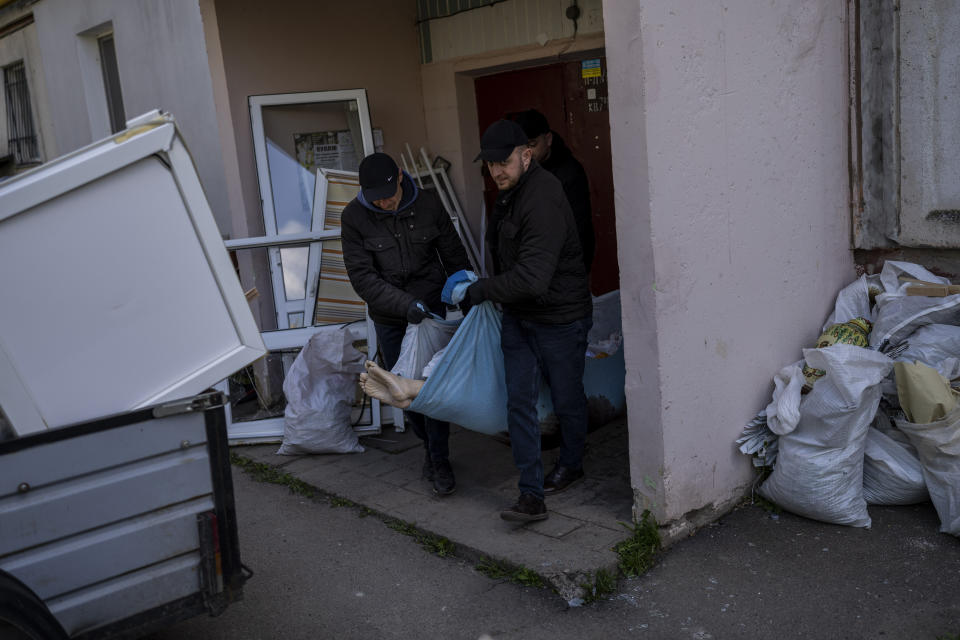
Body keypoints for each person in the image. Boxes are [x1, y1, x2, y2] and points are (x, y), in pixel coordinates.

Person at [468, 120, 593, 522]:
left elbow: (533, 277)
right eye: (489, 166)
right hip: (520, 316)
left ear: (526, 154)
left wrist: (482, 290)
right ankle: (531, 494)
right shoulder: (511, 192)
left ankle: (572, 463)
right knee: (518, 402)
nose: (496, 172)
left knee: (567, 396)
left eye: (503, 163)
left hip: (560, 317)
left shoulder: (543, 196)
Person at [341, 152, 470, 496]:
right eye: (376, 198)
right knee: (402, 393)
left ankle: (439, 459)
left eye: (388, 193)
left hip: (432, 312)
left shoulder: (428, 203)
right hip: (392, 317)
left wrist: (467, 294)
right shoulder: (354, 217)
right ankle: (428, 446)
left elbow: (453, 253)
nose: (384, 202)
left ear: (400, 176)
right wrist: (403, 305)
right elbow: (363, 278)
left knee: (430, 388)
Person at [512, 109, 595, 274]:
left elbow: (578, 230)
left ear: (548, 139)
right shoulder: (520, 170)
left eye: (532, 145)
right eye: (520, 148)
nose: (525, 154)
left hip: (563, 269)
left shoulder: (569, 174)